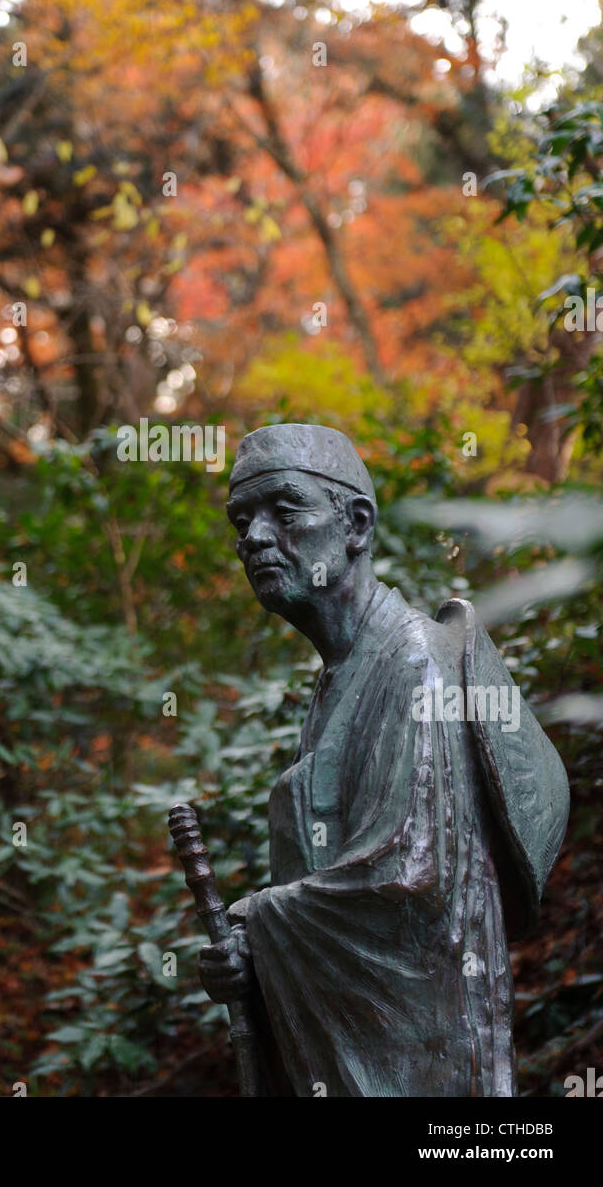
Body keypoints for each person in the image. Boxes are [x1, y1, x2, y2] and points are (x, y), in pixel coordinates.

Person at [199, 424, 569, 1097]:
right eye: (241, 520)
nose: (253, 538)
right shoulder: (340, 677)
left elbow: (408, 879)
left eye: (283, 511)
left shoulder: (416, 666)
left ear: (356, 526)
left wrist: (255, 926)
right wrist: (249, 964)